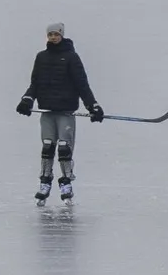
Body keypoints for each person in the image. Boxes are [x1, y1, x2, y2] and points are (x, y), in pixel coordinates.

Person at [15, 22, 103, 204]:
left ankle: (66, 183)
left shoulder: (71, 57)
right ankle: (45, 182)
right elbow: (35, 84)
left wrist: (92, 106)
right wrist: (27, 99)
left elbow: (82, 84)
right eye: (50, 35)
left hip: (65, 112)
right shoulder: (41, 57)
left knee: (64, 146)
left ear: (62, 35)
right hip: (47, 111)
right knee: (47, 146)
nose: (53, 37)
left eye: (56, 34)